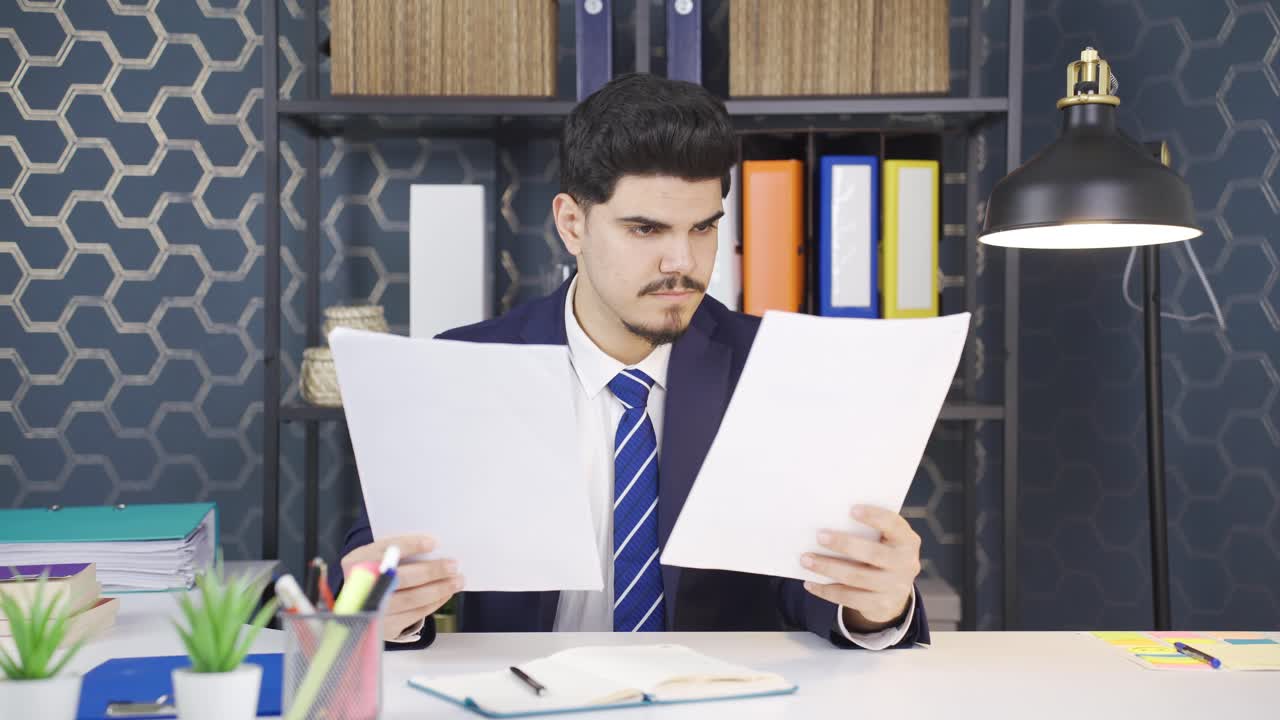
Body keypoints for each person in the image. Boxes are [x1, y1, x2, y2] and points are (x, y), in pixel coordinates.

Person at [339, 72, 928, 650]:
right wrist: (385, 611)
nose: (683, 261)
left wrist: (876, 607)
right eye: (645, 229)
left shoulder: (774, 366)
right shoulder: (464, 365)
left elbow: (814, 585)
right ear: (573, 223)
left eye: (703, 228)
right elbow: (384, 574)